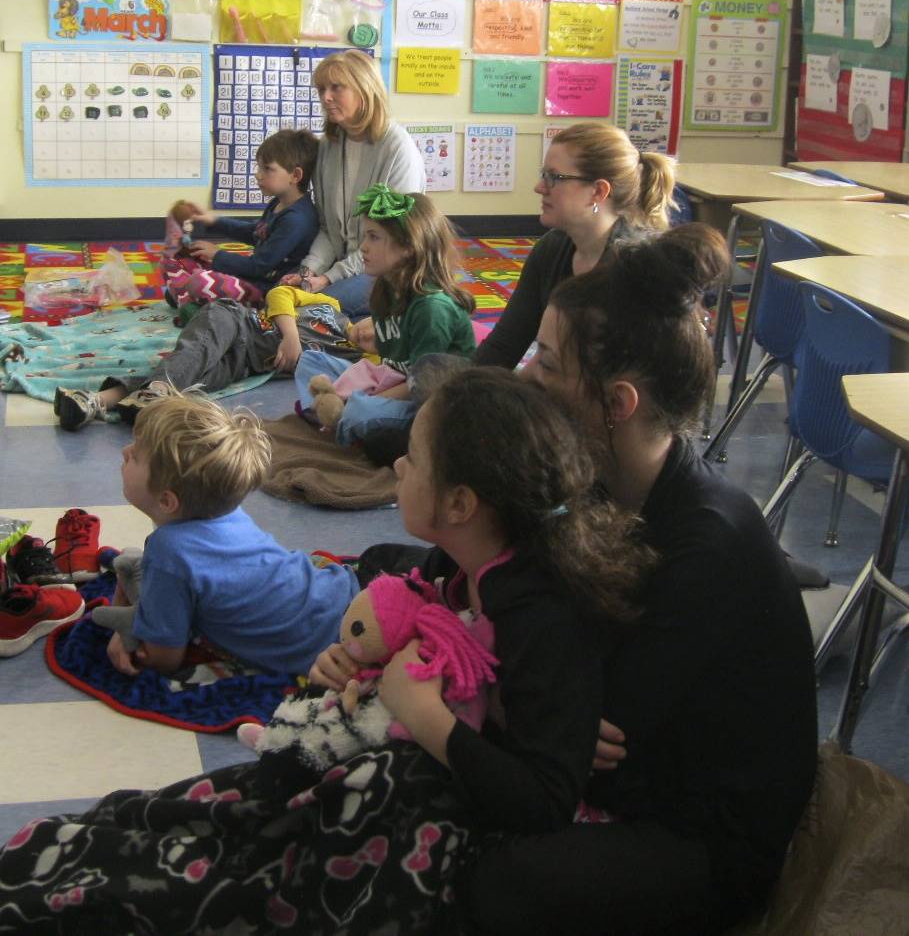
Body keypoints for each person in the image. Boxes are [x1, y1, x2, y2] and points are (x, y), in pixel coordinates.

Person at [0, 368, 655, 933]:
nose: (396, 465)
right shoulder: (455, 567)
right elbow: (415, 632)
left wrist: (423, 716)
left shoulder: (537, 615)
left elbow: (539, 799)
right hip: (399, 723)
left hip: (457, 810)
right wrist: (354, 662)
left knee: (236, 865)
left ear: (459, 502)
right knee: (163, 817)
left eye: (414, 458)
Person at [460, 224, 819, 935]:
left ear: (616, 404)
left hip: (701, 838)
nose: (529, 375)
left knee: (491, 879)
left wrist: (507, 693)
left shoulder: (707, 546)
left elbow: (592, 746)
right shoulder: (598, 480)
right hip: (635, 775)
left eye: (550, 363)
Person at [103, 388, 358, 678]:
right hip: (344, 594)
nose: (124, 452)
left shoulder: (168, 553)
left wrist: (127, 634)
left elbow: (164, 659)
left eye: (135, 456)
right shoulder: (226, 511)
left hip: (334, 650)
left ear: (167, 501)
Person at [475, 122, 676, 370]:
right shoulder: (551, 249)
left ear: (598, 192)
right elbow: (503, 347)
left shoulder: (638, 267)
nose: (539, 187)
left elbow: (625, 384)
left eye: (554, 178)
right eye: (543, 175)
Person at [52, 282, 377, 431]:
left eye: (381, 342)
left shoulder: (350, 359)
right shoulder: (330, 307)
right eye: (376, 326)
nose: (369, 336)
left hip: (246, 364)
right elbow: (280, 293)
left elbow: (367, 383)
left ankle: (93, 402)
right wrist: (290, 335)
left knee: (189, 373)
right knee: (195, 352)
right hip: (237, 321)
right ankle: (156, 392)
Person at [293, 183, 476, 446]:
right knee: (311, 362)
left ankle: (338, 417)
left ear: (407, 247)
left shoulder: (431, 308)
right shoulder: (386, 290)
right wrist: (372, 345)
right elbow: (393, 359)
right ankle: (334, 417)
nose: (363, 247)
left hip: (429, 401)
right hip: (394, 378)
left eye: (373, 237)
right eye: (365, 237)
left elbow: (421, 386)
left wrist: (360, 399)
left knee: (361, 412)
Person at [281, 49, 426, 321]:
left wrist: (328, 278)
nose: (325, 97)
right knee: (285, 296)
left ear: (365, 89)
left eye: (336, 87)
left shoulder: (398, 148)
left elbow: (391, 239)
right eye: (322, 89)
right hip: (346, 267)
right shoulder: (328, 146)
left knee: (306, 312)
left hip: (391, 270)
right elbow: (328, 228)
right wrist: (308, 270)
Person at [162, 128, 320, 308]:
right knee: (183, 263)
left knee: (200, 282)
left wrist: (217, 255)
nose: (258, 174)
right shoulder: (278, 203)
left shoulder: (297, 219)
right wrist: (213, 220)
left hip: (266, 289)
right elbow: (254, 232)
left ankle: (195, 301)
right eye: (259, 167)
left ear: (295, 175)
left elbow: (260, 266)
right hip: (252, 276)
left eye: (267, 169)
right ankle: (192, 298)